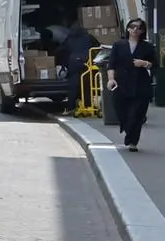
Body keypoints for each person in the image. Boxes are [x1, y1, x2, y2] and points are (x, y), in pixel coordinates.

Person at [106, 18, 157, 150]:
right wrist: (111, 79)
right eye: (133, 26)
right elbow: (111, 64)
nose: (135, 29)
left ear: (142, 31)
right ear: (128, 28)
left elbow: (154, 65)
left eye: (139, 28)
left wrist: (144, 63)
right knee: (121, 110)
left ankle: (133, 141)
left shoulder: (147, 47)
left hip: (140, 84)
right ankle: (128, 129)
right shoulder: (118, 45)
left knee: (137, 114)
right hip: (122, 83)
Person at [58, 23, 98, 112]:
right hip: (87, 63)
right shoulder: (89, 37)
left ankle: (71, 106)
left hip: (74, 64)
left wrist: (64, 65)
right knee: (88, 85)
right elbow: (97, 46)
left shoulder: (69, 39)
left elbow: (63, 52)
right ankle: (88, 105)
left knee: (73, 86)